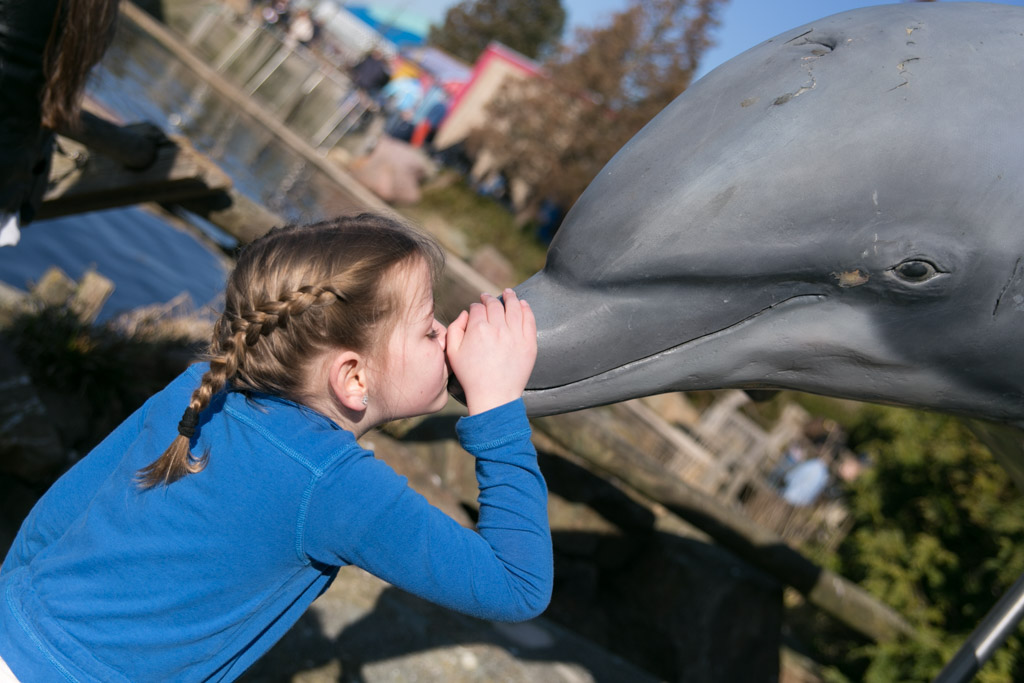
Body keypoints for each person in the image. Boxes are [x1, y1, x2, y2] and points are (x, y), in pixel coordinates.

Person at [0, 213, 552, 681]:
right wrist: (498, 405)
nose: (446, 333)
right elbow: (516, 585)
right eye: (428, 330)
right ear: (353, 378)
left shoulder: (199, 390)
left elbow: (60, 513)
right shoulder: (338, 486)